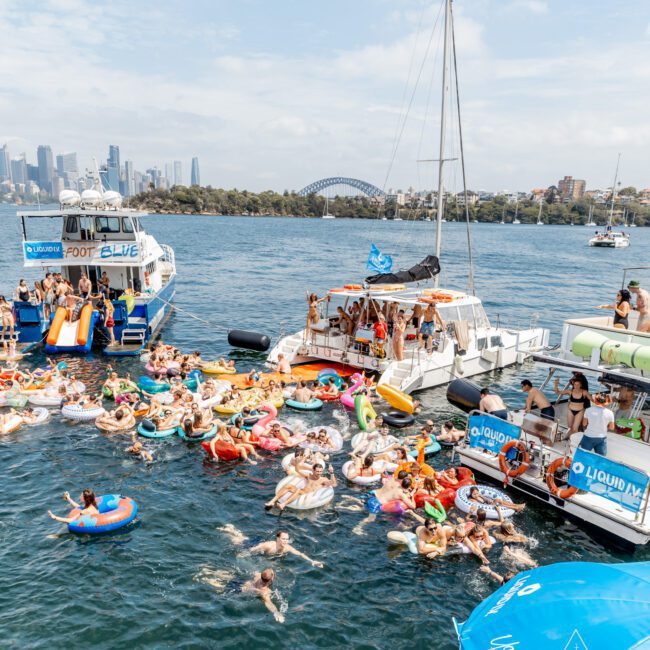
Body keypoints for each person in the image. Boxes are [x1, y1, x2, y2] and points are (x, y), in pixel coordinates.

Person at [265, 463, 336, 511]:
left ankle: (283, 504)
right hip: (302, 490)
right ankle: (272, 501)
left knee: (298, 490)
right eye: (317, 471)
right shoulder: (309, 476)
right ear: (313, 470)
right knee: (288, 486)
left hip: (307, 495)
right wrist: (301, 461)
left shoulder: (323, 480)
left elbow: (333, 484)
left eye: (320, 471)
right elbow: (297, 470)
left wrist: (331, 472)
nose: (319, 473)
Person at [251, 531, 324, 568]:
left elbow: (300, 554)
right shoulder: (268, 546)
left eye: (287, 539)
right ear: (277, 538)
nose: (285, 541)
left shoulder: (287, 548)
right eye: (283, 539)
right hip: (256, 544)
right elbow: (252, 550)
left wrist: (312, 561)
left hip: (273, 557)